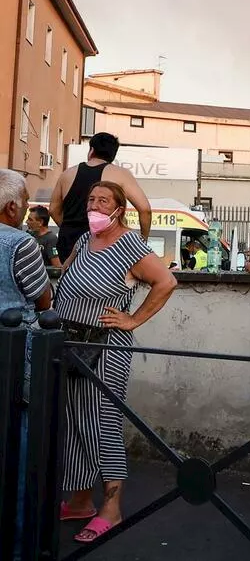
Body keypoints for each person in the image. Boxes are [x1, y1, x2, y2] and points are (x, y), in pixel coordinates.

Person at [55, 181, 178, 543]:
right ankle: (80, 500)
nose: (94, 204)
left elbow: (166, 282)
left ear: (118, 209)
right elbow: (68, 280)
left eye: (102, 200)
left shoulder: (131, 245)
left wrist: (133, 319)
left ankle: (112, 507)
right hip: (71, 342)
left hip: (106, 347)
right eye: (91, 198)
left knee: (104, 421)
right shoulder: (83, 241)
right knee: (75, 418)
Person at [0, 169, 53, 558]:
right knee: (18, 446)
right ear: (13, 206)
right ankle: (18, 547)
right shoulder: (20, 243)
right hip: (15, 358)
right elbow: (42, 299)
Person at [49, 132, 151, 263]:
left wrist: (69, 228)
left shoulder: (67, 174)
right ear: (113, 155)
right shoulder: (120, 174)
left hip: (68, 244)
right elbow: (145, 210)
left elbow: (53, 210)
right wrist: (143, 241)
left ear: (91, 150)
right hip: (106, 245)